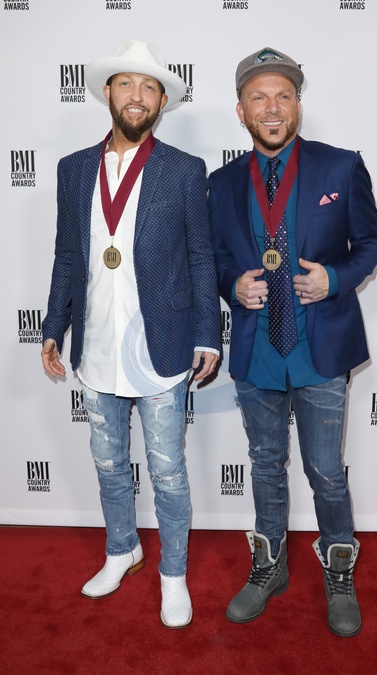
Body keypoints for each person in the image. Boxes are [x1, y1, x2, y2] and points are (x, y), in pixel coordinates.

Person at [41, 39, 220, 629]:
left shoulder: (184, 170)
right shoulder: (72, 169)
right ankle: (122, 549)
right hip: (95, 346)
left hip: (159, 347)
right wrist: (53, 326)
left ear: (162, 101)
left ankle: (174, 574)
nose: (136, 95)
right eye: (126, 84)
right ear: (108, 93)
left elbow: (200, 258)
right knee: (109, 462)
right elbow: (67, 256)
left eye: (148, 87)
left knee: (167, 470)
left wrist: (208, 334)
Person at [208, 47, 377, 637]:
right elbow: (211, 259)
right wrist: (231, 285)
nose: (272, 107)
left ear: (298, 105)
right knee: (264, 465)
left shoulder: (341, 167)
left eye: (283, 95)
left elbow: (371, 244)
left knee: (326, 471)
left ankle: (339, 571)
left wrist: (334, 278)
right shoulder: (220, 184)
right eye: (258, 97)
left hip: (321, 348)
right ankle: (270, 567)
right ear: (240, 111)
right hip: (257, 348)